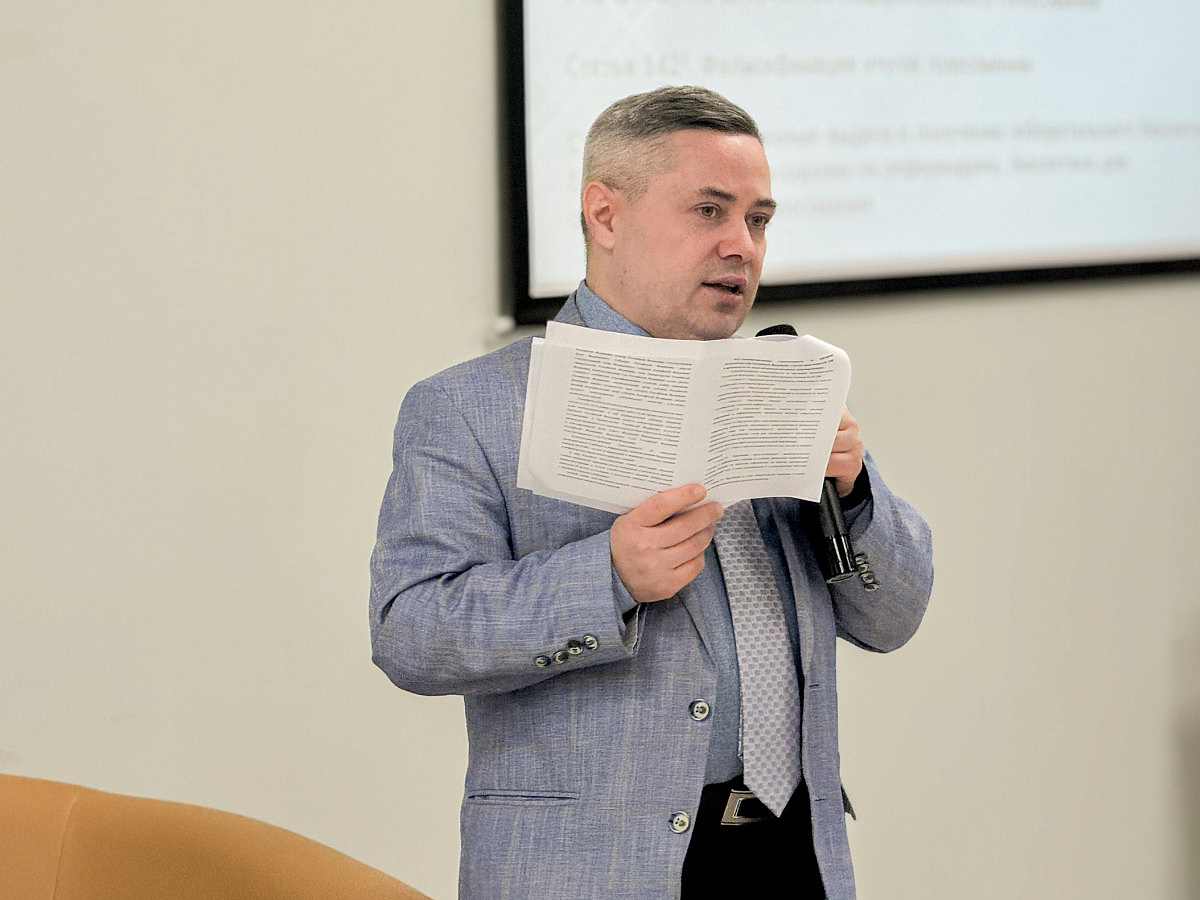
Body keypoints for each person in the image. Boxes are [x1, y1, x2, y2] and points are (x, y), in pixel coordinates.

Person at [370, 86, 933, 899]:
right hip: (591, 872)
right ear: (605, 215)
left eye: (758, 220)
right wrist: (608, 579)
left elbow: (895, 617)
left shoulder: (780, 386)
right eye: (709, 211)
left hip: (794, 856)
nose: (741, 246)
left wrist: (853, 491)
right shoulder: (472, 407)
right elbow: (410, 632)